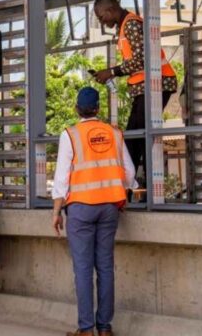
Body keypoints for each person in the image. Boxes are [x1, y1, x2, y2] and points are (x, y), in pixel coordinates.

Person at [53, 87, 135, 336]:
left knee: (83, 269)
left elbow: (61, 178)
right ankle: (105, 328)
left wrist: (56, 211)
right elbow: (129, 173)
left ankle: (86, 329)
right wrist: (128, 191)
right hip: (110, 207)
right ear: (98, 109)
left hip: (80, 209)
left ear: (77, 109)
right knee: (106, 267)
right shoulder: (114, 133)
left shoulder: (70, 135)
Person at [90, 0, 177, 186]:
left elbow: (142, 59)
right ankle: (141, 184)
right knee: (136, 137)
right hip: (146, 87)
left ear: (110, 10)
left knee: (136, 136)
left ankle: (141, 186)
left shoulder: (130, 24)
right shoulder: (125, 26)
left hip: (155, 84)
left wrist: (112, 72)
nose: (101, 22)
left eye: (101, 16)